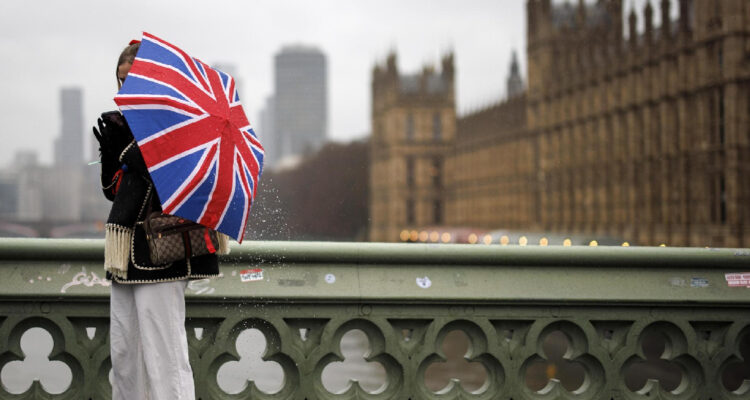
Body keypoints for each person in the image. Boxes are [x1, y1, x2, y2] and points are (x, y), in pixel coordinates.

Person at [93, 40, 228, 400]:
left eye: (132, 81)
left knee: (164, 355)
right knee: (125, 353)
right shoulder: (122, 123)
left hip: (162, 249)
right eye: (121, 81)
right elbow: (114, 191)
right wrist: (111, 157)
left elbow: (171, 177)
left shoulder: (181, 123)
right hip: (125, 251)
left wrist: (127, 148)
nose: (125, 90)